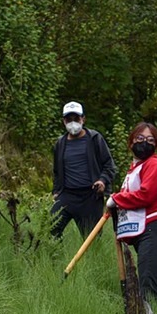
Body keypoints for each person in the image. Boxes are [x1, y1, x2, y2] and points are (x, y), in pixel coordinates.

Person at [107, 122, 157, 301]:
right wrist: (113, 207)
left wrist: (117, 199)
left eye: (150, 140)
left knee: (149, 293)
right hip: (146, 233)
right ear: (131, 142)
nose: (144, 142)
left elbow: (146, 195)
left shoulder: (154, 164)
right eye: (140, 138)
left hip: (156, 232)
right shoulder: (134, 170)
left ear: (156, 145)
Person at [50, 101, 118, 239]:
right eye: (69, 119)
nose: (73, 122)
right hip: (66, 195)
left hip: (90, 196)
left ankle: (92, 261)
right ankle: (53, 258)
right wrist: (56, 192)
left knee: (92, 240)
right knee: (50, 229)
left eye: (76, 118)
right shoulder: (60, 143)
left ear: (83, 119)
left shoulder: (94, 139)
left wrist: (102, 181)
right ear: (64, 121)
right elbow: (57, 171)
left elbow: (109, 166)